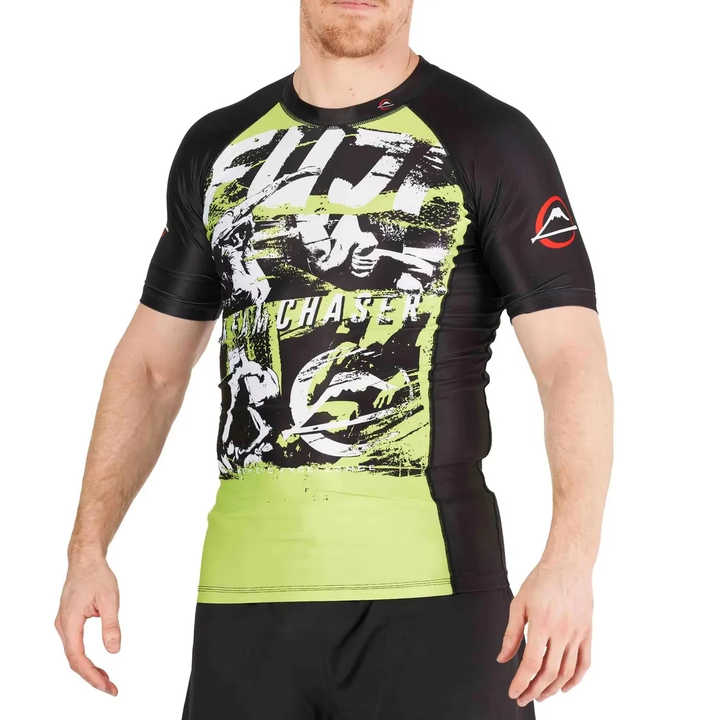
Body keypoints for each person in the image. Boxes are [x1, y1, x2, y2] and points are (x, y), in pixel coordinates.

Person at [55, 1, 613, 717]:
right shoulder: (218, 147)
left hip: (440, 602)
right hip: (245, 605)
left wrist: (570, 560)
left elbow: (570, 359)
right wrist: (87, 549)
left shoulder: (489, 138)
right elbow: (151, 368)